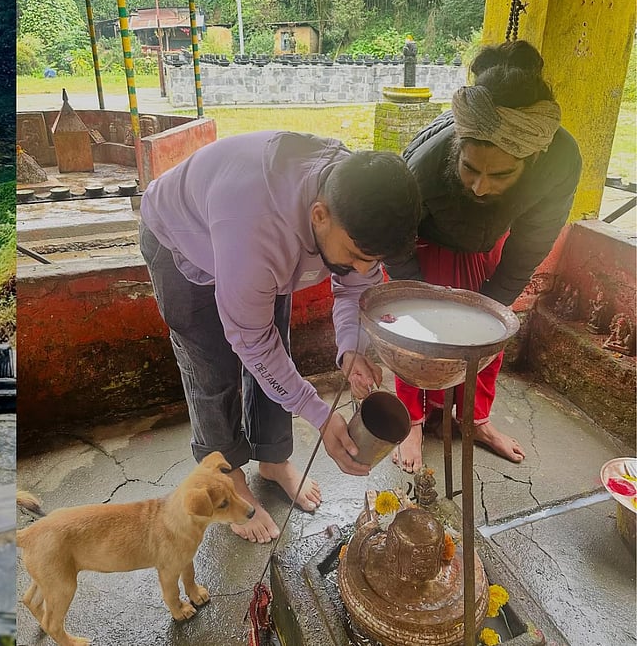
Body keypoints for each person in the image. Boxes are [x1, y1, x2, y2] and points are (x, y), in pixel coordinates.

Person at [139, 131, 422, 543]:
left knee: (277, 355)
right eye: (359, 257)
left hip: (254, 249)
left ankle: (273, 458)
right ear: (319, 216)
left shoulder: (350, 194)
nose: (365, 270)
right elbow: (251, 340)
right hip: (183, 239)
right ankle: (227, 476)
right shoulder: (255, 230)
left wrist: (349, 349)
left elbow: (354, 285)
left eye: (374, 261)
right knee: (212, 369)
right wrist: (322, 417)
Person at [386, 40, 581, 472]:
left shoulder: (560, 160)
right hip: (424, 246)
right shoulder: (423, 166)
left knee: (489, 337)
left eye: (501, 174)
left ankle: (474, 419)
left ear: (531, 159)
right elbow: (395, 240)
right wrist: (417, 301)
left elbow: (531, 244)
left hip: (489, 246)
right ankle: (413, 422)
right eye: (470, 169)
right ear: (457, 148)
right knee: (416, 341)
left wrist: (492, 306)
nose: (480, 187)